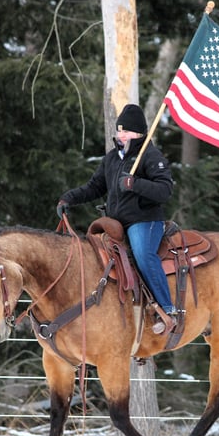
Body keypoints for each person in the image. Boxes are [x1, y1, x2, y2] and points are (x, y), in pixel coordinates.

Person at [56, 104, 177, 334]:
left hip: (144, 221)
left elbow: (165, 190)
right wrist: (68, 199)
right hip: (116, 223)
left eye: (126, 131)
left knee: (143, 255)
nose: (120, 135)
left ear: (139, 133)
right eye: (119, 130)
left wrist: (135, 184)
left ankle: (167, 309)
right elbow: (94, 187)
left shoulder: (151, 156)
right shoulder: (112, 158)